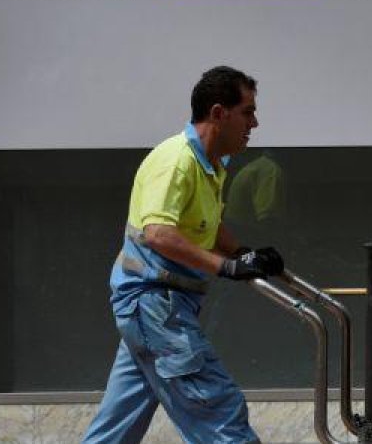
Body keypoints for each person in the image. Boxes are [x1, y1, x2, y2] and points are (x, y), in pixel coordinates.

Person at [82, 66, 284, 444]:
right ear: (219, 113)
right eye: (248, 112)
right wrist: (227, 266)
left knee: (117, 425)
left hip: (157, 306)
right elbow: (159, 234)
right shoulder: (176, 160)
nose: (254, 123)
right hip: (155, 304)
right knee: (219, 411)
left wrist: (244, 253)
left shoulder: (212, 164)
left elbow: (206, 225)